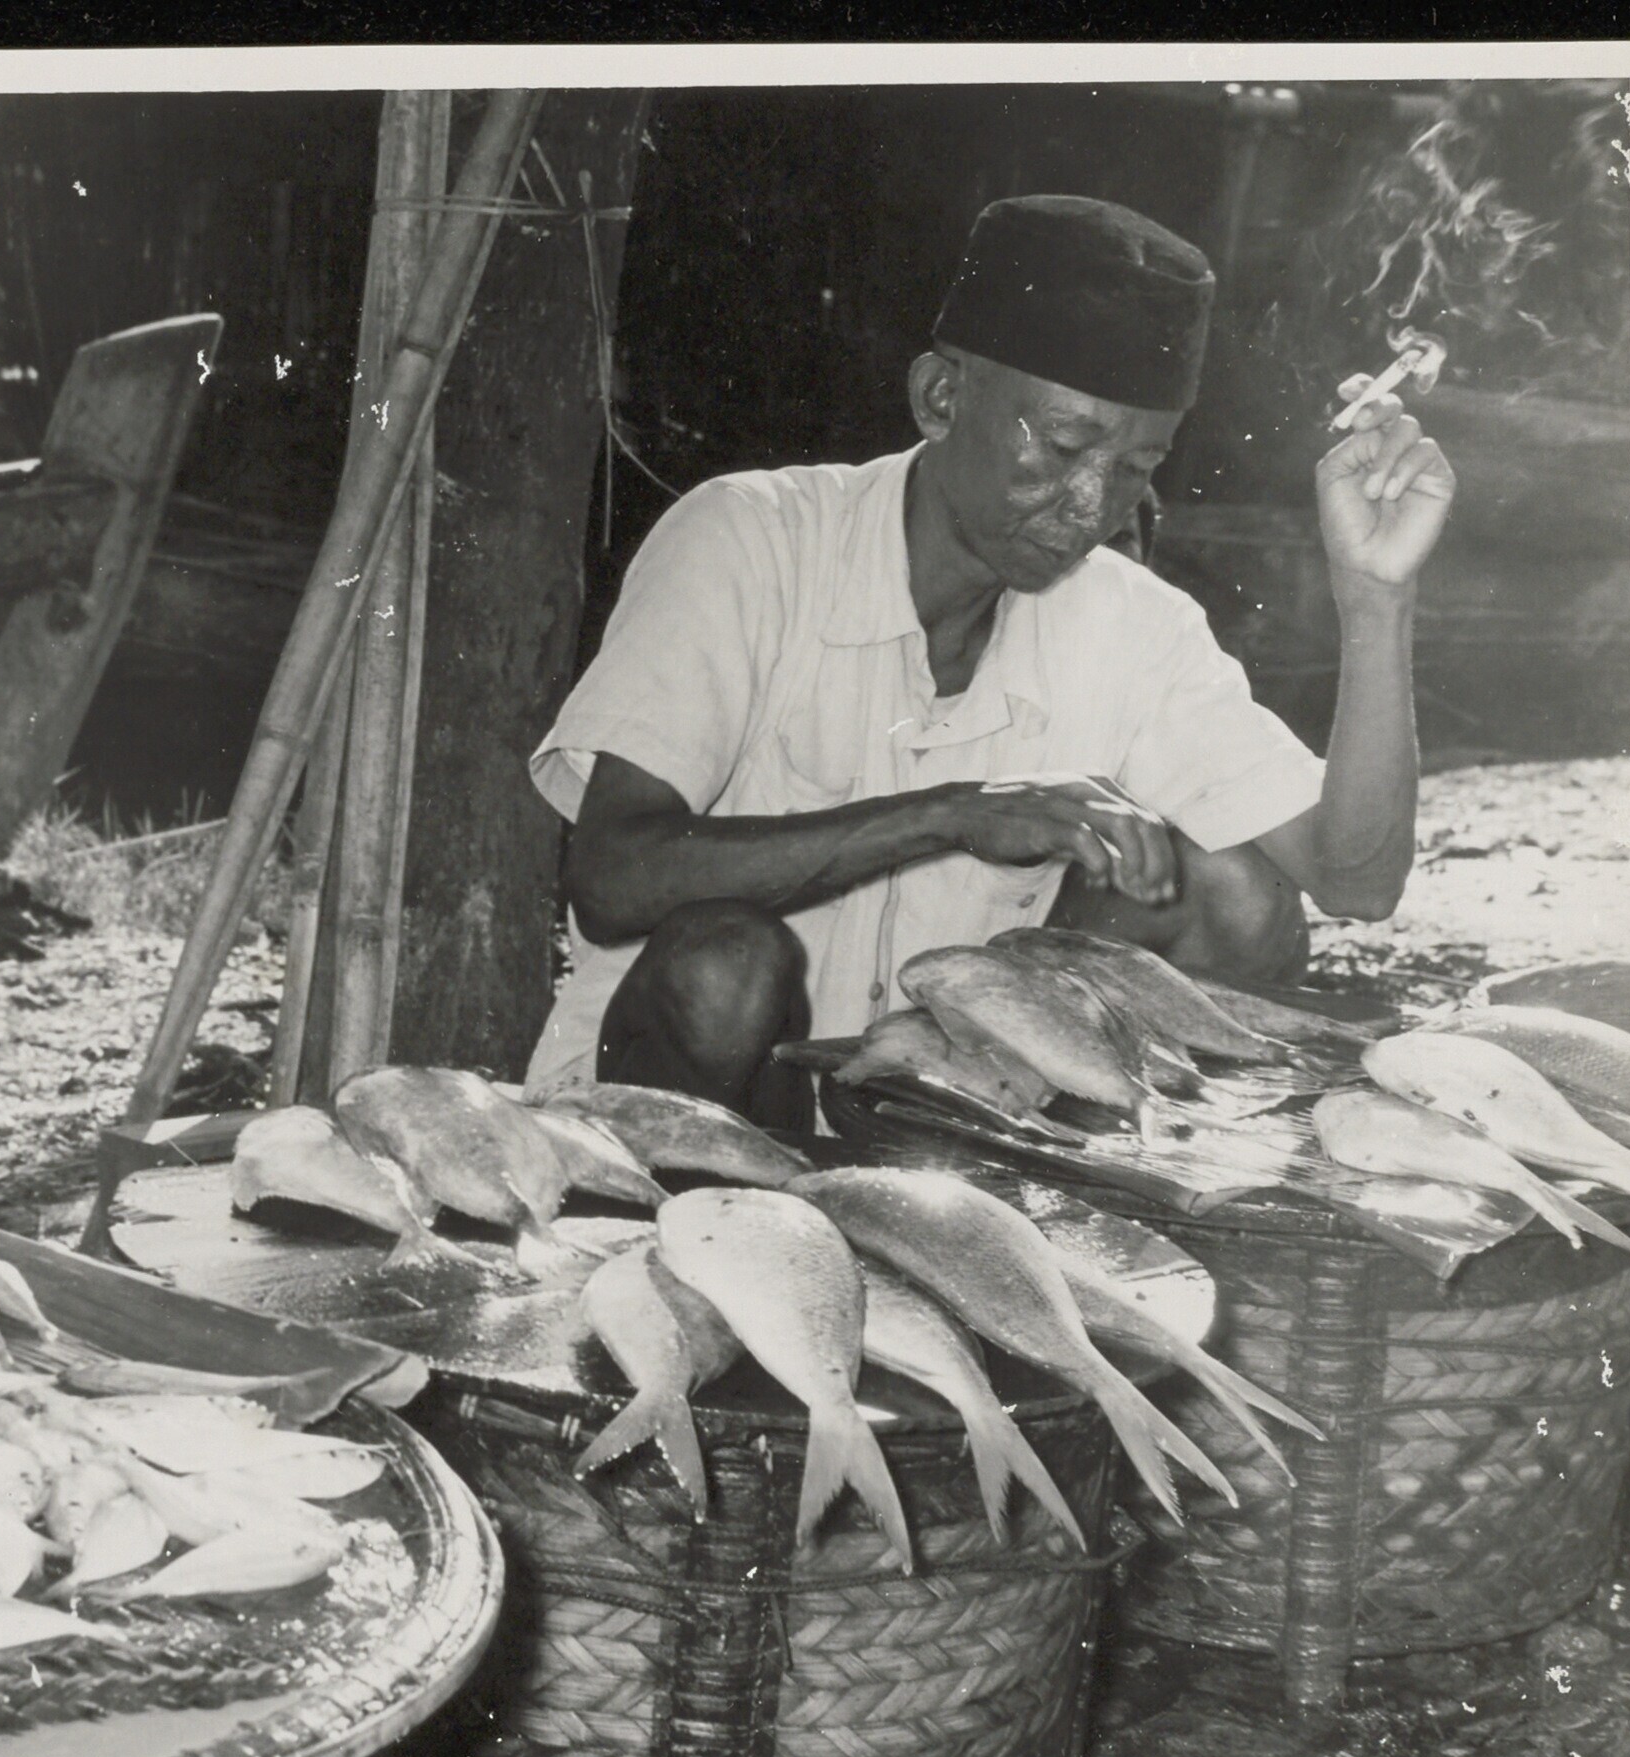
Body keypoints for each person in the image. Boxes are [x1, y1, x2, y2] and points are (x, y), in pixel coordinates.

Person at [525, 194, 1456, 1128]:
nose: (1091, 505)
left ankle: (1049, 1177)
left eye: (1136, 468)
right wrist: (952, 815)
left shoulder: (1132, 622)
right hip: (673, 1120)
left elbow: (1356, 880)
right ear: (941, 398)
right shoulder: (749, 540)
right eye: (1063, 445)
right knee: (724, 963)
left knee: (1235, 896)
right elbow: (611, 879)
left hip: (921, 1117)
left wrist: (1375, 597)